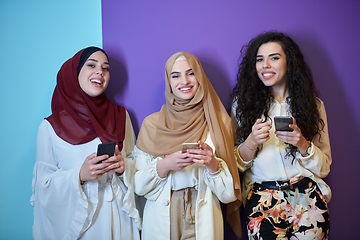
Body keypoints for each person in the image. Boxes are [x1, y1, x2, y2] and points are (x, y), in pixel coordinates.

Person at [30, 47, 140, 240]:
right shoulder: (49, 127)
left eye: (105, 68)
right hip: (84, 223)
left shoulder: (121, 116)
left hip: (120, 220)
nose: (100, 71)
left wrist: (124, 167)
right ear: (75, 72)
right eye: (91, 65)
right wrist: (79, 175)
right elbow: (43, 187)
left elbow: (135, 162)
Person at [232, 31, 331, 239]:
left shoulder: (313, 106)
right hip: (262, 199)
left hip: (307, 197)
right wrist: (251, 141)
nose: (265, 65)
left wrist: (303, 144)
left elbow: (324, 168)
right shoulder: (241, 106)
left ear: (289, 62)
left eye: (274, 57)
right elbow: (234, 165)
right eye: (260, 59)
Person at [133, 52, 242, 239]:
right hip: (161, 216)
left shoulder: (219, 121)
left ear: (200, 76)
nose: (184, 81)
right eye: (175, 75)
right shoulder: (151, 124)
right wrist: (166, 165)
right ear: (169, 81)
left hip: (204, 215)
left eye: (191, 73)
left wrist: (213, 165)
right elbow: (139, 186)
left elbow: (229, 195)